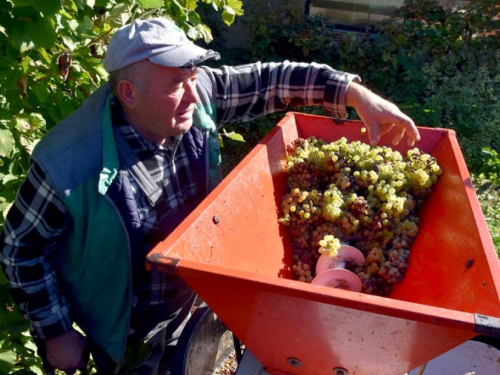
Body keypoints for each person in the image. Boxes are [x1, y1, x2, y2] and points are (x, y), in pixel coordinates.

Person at [0, 17, 419, 375]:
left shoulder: (196, 95)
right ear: (129, 93)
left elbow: (270, 80)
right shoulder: (69, 164)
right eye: (175, 84)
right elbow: (20, 247)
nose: (191, 93)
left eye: (192, 77)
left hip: (195, 298)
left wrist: (350, 91)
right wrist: (55, 331)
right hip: (125, 327)